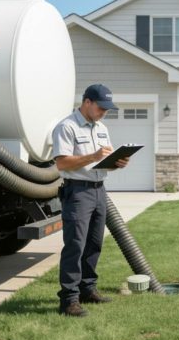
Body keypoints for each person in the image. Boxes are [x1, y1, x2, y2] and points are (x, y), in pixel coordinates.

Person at [52, 84, 128, 317]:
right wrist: (93, 156)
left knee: (94, 243)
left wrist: (117, 163)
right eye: (101, 107)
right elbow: (62, 163)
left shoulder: (101, 128)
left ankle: (87, 290)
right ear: (87, 102)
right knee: (75, 245)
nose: (104, 112)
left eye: (106, 109)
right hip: (77, 192)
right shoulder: (67, 127)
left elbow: (102, 164)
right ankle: (69, 300)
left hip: (98, 191)